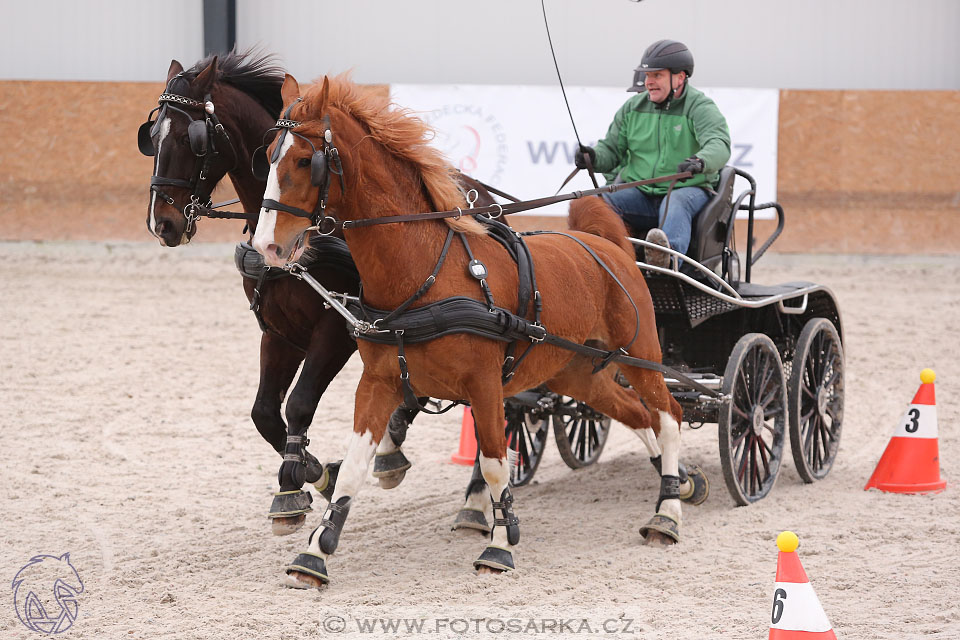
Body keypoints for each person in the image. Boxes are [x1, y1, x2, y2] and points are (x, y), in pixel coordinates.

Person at [575, 39, 731, 268]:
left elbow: (719, 143)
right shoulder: (632, 108)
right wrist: (593, 157)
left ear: (680, 77)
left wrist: (700, 160)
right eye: (647, 76)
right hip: (641, 193)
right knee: (596, 204)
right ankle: (601, 259)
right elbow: (611, 150)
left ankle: (667, 262)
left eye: (657, 75)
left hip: (689, 190)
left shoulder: (700, 107)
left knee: (675, 201)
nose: (648, 82)